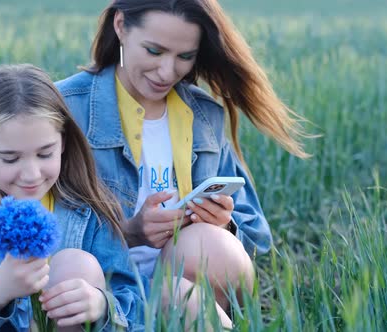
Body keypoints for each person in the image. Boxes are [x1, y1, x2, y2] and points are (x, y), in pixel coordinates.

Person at [56, 0, 309, 327]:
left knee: (212, 249)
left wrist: (223, 225)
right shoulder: (67, 106)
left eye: (184, 57)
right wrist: (129, 232)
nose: (167, 72)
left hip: (176, 282)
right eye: (154, 51)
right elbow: (32, 221)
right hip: (100, 286)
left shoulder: (205, 116)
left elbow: (256, 235)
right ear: (120, 26)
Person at [0, 64, 146, 331]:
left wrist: (101, 306)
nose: (31, 174)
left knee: (76, 264)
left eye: (44, 154)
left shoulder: (90, 213)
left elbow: (137, 310)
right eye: (11, 158)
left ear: (62, 142)